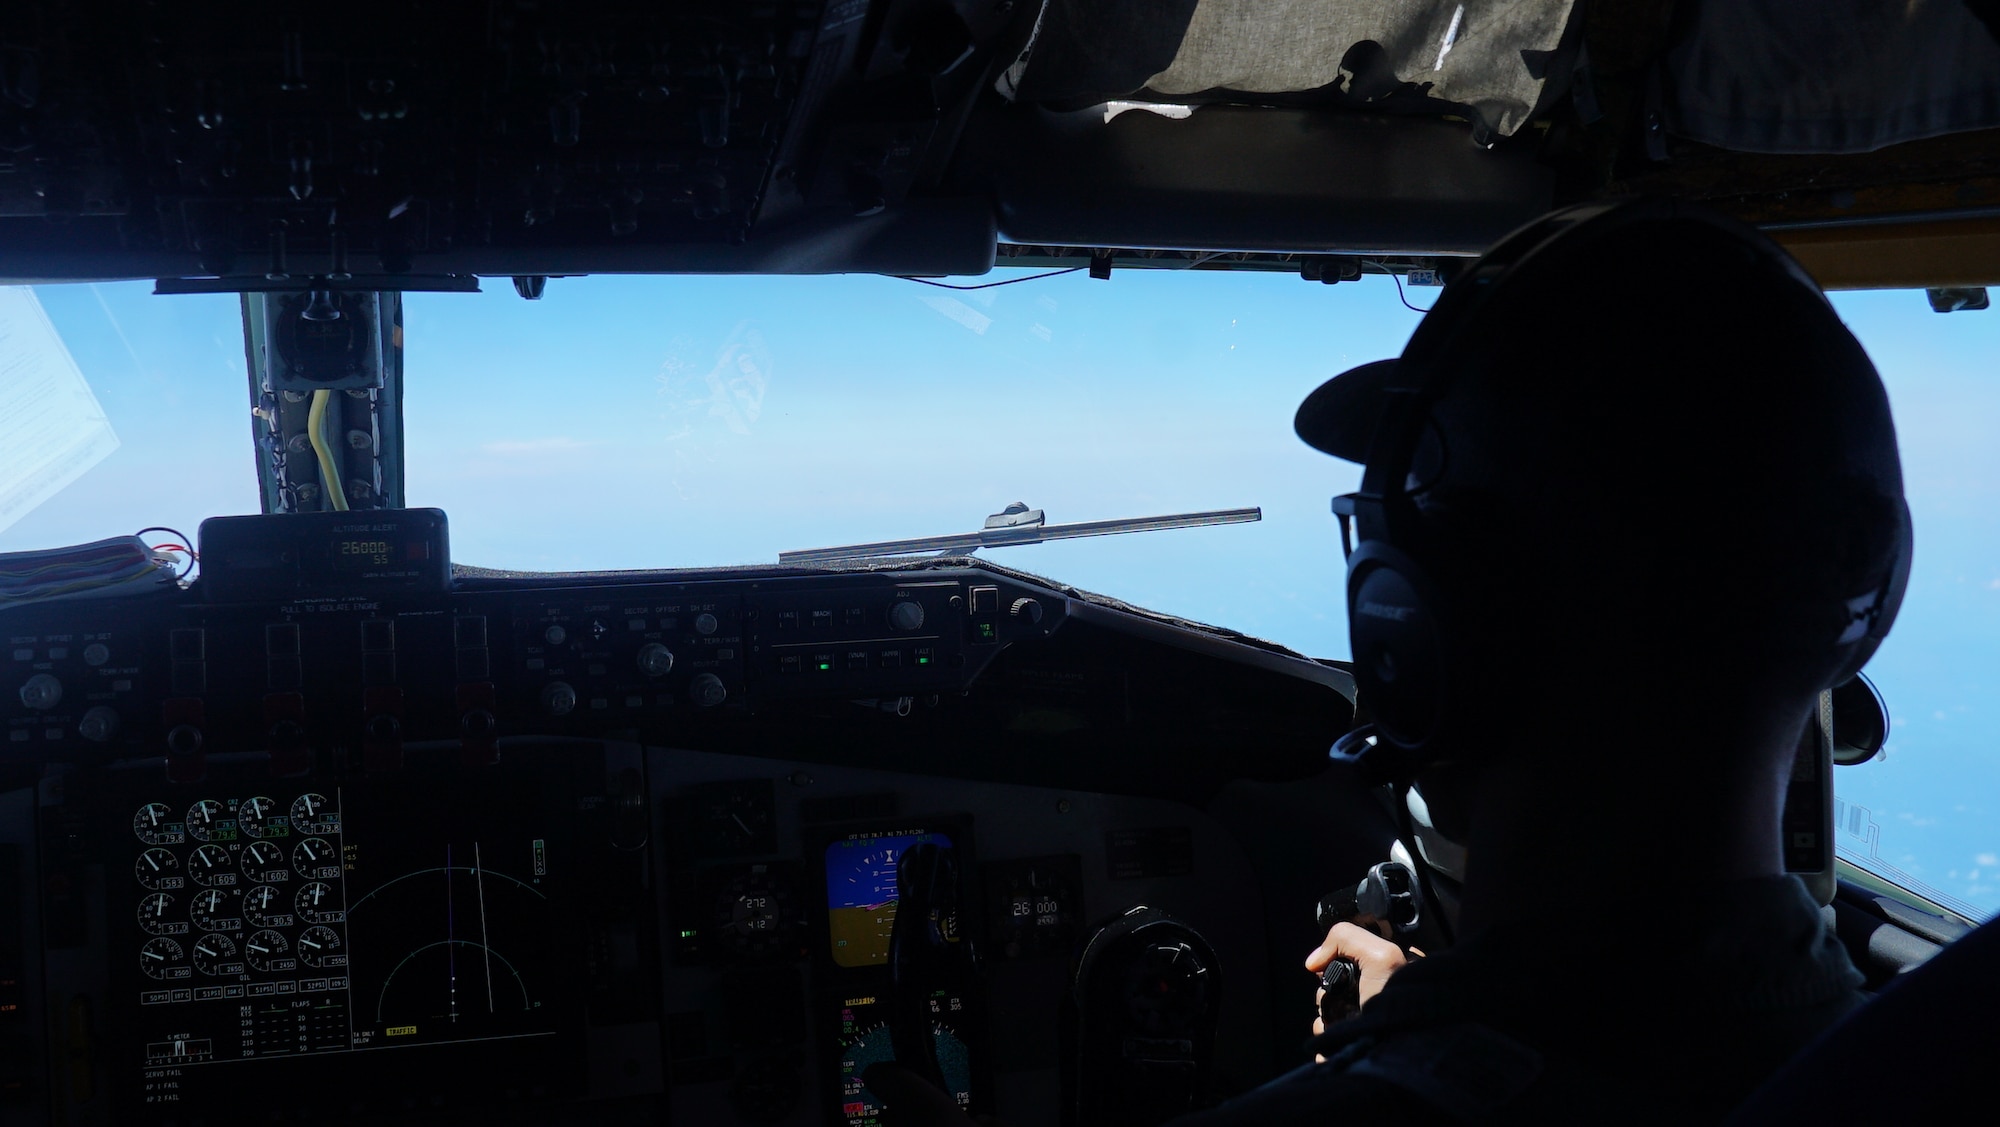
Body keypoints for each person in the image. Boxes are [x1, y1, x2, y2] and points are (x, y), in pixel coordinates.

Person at [874, 198, 1913, 1124]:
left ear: (1411, 625)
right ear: (1855, 618)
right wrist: (1421, 1030)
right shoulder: (1919, 1058)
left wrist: (1407, 1056)